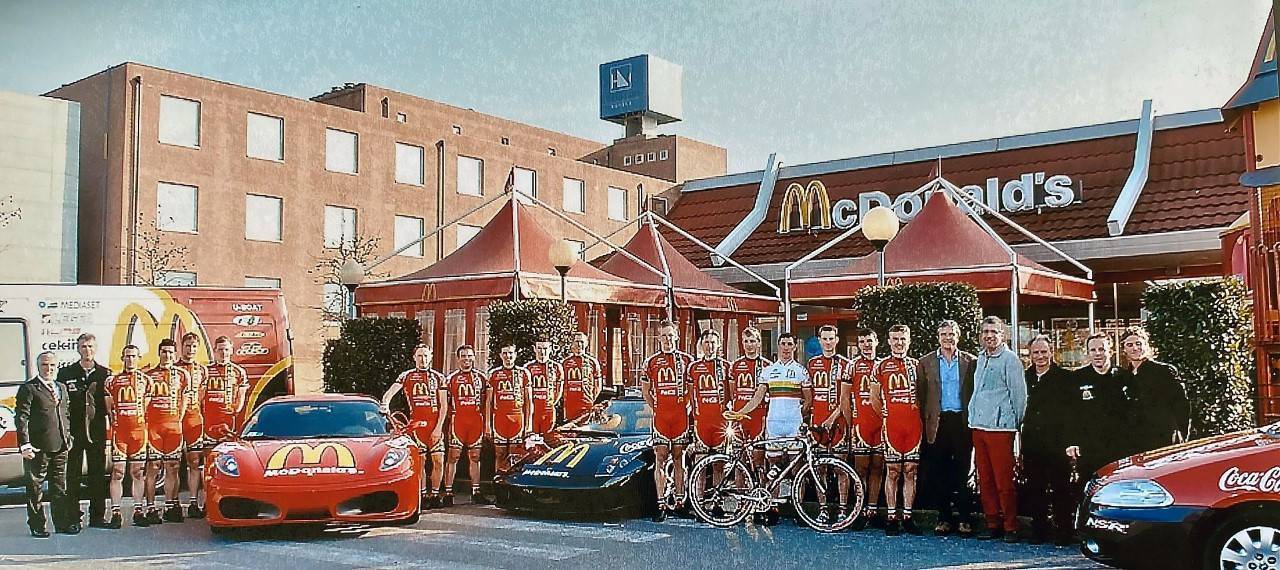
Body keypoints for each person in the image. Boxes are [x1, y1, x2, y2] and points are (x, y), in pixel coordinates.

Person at [727, 331, 812, 526]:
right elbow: (757, 398)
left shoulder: (801, 371)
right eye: (783, 344)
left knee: (796, 468)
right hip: (774, 424)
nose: (786, 347)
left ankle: (798, 508)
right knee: (772, 469)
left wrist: (798, 415)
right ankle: (772, 507)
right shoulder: (768, 371)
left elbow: (808, 401)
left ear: (794, 347)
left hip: (793, 424)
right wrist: (739, 412)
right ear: (778, 346)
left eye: (789, 344)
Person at [969, 316, 1027, 543]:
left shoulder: (1010, 360)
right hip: (979, 426)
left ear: (1002, 335)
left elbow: (1019, 396)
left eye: (994, 331)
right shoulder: (980, 358)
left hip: (1000, 429)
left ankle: (1010, 526)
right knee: (985, 479)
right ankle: (992, 522)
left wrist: (1013, 424)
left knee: (1004, 480)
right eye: (985, 332)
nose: (989, 336)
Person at [917, 320, 977, 537]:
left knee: (963, 471)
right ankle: (943, 518)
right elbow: (921, 395)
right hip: (937, 422)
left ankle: (965, 519)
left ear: (958, 336)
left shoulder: (970, 361)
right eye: (943, 334)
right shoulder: (925, 362)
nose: (947, 338)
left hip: (961, 421)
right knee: (939, 472)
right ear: (938, 337)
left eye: (951, 334)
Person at [1020, 334, 1076, 545]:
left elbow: (1072, 413)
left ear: (1052, 353)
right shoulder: (1025, 377)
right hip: (1032, 441)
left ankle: (1064, 530)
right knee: (1035, 487)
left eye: (1044, 352)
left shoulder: (1065, 378)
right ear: (1030, 355)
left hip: (1057, 442)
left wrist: (1070, 442)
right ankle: (1039, 529)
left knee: (1061, 488)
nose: (1040, 356)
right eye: (1036, 352)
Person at [1062, 333, 1129, 501]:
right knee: (1088, 490)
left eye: (1102, 349)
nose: (1097, 353)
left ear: (1111, 351)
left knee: (1118, 489)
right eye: (1093, 350)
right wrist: (1071, 441)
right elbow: (1070, 413)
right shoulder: (1077, 378)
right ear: (1087, 353)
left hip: (1119, 446)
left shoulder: (1124, 377)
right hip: (1089, 446)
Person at [382, 344, 448, 509]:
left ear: (430, 357)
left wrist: (439, 427)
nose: (422, 359)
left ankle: (435, 494)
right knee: (421, 461)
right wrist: (385, 405)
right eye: (419, 356)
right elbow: (390, 393)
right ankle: (423, 494)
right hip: (417, 426)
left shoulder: (439, 377)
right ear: (414, 358)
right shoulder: (406, 376)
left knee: (439, 460)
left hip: (434, 425)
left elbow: (444, 406)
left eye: (425, 356)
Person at [640, 319, 694, 522]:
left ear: (677, 336)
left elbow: (691, 391)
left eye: (670, 335)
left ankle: (680, 502)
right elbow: (646, 391)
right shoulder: (651, 362)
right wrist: (657, 408)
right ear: (659, 338)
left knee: (680, 459)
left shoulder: (687, 360)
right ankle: (660, 504)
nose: (667, 339)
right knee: (660, 459)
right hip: (661, 418)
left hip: (680, 417)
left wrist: (685, 407)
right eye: (663, 336)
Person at [16, 352, 74, 537]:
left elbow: (66, 414)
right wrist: (25, 444)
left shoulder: (61, 387)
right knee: (35, 488)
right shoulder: (29, 388)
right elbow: (22, 417)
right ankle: (37, 525)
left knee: (60, 487)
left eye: (52, 365)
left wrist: (68, 438)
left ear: (57, 366)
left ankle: (62, 523)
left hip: (61, 446)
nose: (48, 369)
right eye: (44, 365)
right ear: (38, 366)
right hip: (38, 447)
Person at [56, 333, 110, 529]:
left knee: (97, 476)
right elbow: (61, 404)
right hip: (74, 432)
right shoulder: (66, 373)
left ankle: (97, 517)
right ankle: (73, 518)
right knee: (73, 476)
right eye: (84, 346)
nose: (87, 350)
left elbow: (109, 405)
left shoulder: (105, 374)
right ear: (78, 349)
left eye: (90, 346)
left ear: (96, 349)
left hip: (96, 432)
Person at [876, 324, 923, 536]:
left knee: (911, 470)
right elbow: (874, 397)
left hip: (913, 426)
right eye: (895, 339)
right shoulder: (881, 366)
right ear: (889, 341)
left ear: (909, 341)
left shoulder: (917, 365)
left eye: (903, 339)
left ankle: (908, 516)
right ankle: (891, 516)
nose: (899, 342)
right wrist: (885, 415)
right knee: (893, 471)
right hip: (892, 426)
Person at [1119, 326, 1190, 456]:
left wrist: (1182, 436)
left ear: (1146, 345)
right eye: (1130, 345)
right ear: (1124, 349)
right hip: (1136, 443)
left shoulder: (1164, 371)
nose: (1135, 348)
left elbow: (1182, 406)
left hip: (1164, 440)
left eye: (1138, 343)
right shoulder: (1123, 377)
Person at [808, 324, 852, 523]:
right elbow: (809, 396)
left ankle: (842, 509)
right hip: (817, 423)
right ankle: (823, 509)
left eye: (831, 338)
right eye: (824, 339)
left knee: (841, 468)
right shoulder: (812, 363)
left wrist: (833, 418)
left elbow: (847, 398)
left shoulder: (845, 364)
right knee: (820, 469)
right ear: (819, 340)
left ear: (837, 340)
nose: (828, 342)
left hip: (838, 423)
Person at [200, 336, 248, 515]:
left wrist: (234, 411)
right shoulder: (206, 371)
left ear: (232, 350)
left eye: (226, 349)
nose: (223, 353)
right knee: (208, 463)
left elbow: (241, 397)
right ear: (214, 351)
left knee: (229, 462)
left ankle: (230, 501)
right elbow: (200, 397)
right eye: (220, 349)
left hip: (229, 423)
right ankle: (207, 501)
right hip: (209, 423)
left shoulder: (238, 372)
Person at [144, 338, 189, 524]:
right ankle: (151, 508)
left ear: (175, 354)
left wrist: (179, 419)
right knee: (153, 467)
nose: (167, 355)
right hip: (154, 427)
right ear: (159, 353)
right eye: (164, 352)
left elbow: (184, 400)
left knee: (173, 467)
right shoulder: (148, 375)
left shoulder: (182, 375)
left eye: (171, 352)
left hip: (173, 426)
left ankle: (170, 506)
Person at [105, 345, 151, 529]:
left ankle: (138, 511)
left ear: (139, 358)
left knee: (138, 472)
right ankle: (115, 513)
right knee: (117, 472)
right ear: (122, 358)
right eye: (127, 356)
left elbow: (147, 409)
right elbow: (109, 409)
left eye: (133, 356)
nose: (130, 359)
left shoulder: (146, 380)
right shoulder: (112, 380)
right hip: (120, 434)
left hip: (139, 433)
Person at [846, 328, 886, 531]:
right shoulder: (852, 365)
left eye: (869, 341)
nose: (866, 345)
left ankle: (872, 510)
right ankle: (859, 511)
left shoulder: (883, 364)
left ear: (876, 341)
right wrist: (848, 424)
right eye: (862, 342)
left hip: (880, 424)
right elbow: (845, 399)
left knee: (878, 468)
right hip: (860, 424)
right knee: (860, 469)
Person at [728, 327, 769, 494]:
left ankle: (760, 497)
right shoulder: (735, 365)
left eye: (752, 341)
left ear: (759, 343)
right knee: (740, 463)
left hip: (759, 418)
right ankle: (741, 500)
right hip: (739, 419)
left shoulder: (767, 366)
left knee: (759, 463)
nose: (749, 345)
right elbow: (732, 393)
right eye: (746, 341)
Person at [444, 345, 487, 506]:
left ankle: (476, 491)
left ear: (474, 358)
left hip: (476, 422)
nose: (466, 359)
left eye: (469, 356)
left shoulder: (482, 378)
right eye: (463, 356)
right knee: (453, 456)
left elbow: (487, 401)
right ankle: (448, 493)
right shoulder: (451, 378)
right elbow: (445, 402)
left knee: (475, 457)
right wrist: (452, 415)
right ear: (458, 358)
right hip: (458, 422)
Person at [688, 329, 730, 489]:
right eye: (706, 342)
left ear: (718, 345)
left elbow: (732, 394)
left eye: (713, 342)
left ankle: (717, 499)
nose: (710, 346)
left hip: (721, 423)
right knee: (700, 465)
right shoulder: (693, 367)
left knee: (719, 465)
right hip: (702, 424)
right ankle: (698, 499)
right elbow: (690, 395)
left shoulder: (726, 366)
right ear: (701, 345)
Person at [174, 332, 206, 519]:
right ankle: (173, 504)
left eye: (194, 346)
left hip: (194, 418)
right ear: (181, 347)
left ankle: (194, 502)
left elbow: (202, 397)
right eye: (187, 345)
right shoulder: (174, 368)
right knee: (173, 464)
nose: (191, 349)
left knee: (194, 461)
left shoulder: (202, 370)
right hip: (175, 419)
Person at [487, 344, 532, 473]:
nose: (508, 356)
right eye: (505, 353)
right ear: (501, 355)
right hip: (499, 420)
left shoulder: (523, 373)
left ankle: (513, 482)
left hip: (517, 420)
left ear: (515, 355)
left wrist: (528, 425)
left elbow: (529, 402)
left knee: (515, 456)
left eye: (511, 353)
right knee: (499, 454)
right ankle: (498, 481)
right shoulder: (493, 373)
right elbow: (489, 402)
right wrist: (488, 425)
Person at [560, 332, 603, 424]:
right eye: (576, 341)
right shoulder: (565, 363)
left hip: (587, 405)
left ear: (586, 343)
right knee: (570, 429)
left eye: (582, 342)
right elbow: (561, 385)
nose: (579, 344)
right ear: (572, 344)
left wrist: (591, 399)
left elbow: (598, 386)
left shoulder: (593, 362)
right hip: (570, 406)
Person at [524, 340, 563, 437]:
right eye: (539, 348)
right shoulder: (527, 367)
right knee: (532, 440)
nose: (542, 352)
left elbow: (559, 389)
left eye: (545, 348)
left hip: (548, 411)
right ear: (534, 349)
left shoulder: (556, 367)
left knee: (547, 438)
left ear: (550, 349)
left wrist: (552, 403)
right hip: (533, 412)